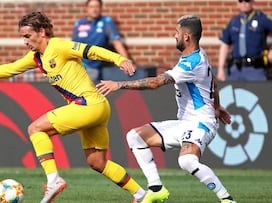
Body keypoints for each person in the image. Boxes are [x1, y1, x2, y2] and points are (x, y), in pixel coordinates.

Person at [0, 11, 155, 203]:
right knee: (97, 163)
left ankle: (54, 180)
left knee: (35, 129)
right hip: (97, 107)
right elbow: (9, 69)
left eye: (28, 36)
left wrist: (120, 59)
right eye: (22, 37)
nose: (25, 41)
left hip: (88, 105)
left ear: (42, 32)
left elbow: (91, 50)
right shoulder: (35, 57)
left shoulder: (58, 46)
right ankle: (141, 195)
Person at [97, 15, 237, 203]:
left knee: (186, 161)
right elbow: (213, 82)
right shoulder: (197, 55)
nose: (174, 35)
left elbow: (155, 83)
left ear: (186, 36)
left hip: (201, 123)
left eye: (177, 32)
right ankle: (156, 188)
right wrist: (217, 106)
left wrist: (119, 85)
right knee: (135, 136)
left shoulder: (191, 63)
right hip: (186, 123)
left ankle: (226, 199)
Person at [72, 0, 130, 82]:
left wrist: (127, 62)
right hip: (77, 65)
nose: (94, 9)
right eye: (91, 7)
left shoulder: (106, 21)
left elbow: (117, 42)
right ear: (87, 9)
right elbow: (73, 45)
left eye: (97, 7)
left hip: (92, 67)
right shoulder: (79, 23)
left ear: (101, 8)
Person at [217, 0, 272, 81]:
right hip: (236, 69)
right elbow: (224, 45)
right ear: (238, 3)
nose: (244, 3)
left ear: (253, 2)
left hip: (256, 69)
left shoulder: (262, 19)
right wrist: (220, 69)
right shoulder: (233, 22)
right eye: (241, 1)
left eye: (247, 1)